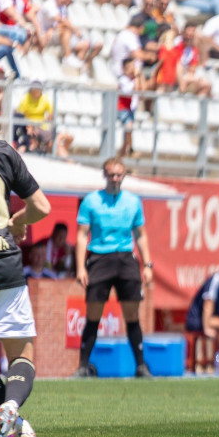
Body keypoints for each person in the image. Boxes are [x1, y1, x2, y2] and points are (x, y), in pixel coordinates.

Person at [0, 132, 51, 437]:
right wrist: (16, 221)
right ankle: (14, 412)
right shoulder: (2, 151)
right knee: (20, 358)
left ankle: (16, 419)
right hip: (5, 266)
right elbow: (41, 206)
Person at [74, 158, 154, 378]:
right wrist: (80, 267)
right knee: (93, 313)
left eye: (119, 175)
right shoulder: (91, 201)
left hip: (126, 258)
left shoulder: (133, 201)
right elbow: (81, 236)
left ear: (124, 175)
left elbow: (141, 235)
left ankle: (140, 366)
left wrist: (147, 265)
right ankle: (82, 366)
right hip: (99, 257)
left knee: (132, 313)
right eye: (111, 175)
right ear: (105, 175)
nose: (115, 179)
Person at [185, 259, 219, 374]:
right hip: (197, 320)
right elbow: (208, 305)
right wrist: (206, 327)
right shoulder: (216, 280)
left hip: (213, 320)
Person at [16, 80, 73, 158]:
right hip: (32, 128)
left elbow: (51, 113)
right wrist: (28, 126)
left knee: (67, 138)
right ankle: (67, 162)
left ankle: (61, 159)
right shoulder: (25, 98)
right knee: (56, 144)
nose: (37, 91)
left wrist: (47, 119)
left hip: (43, 128)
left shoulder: (44, 98)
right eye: (35, 89)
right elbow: (20, 115)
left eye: (39, 89)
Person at [117, 57, 144, 158]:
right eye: (129, 68)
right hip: (122, 109)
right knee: (129, 127)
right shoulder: (123, 80)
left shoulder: (133, 80)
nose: (132, 70)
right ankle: (129, 150)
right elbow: (132, 92)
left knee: (128, 132)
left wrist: (140, 78)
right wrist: (137, 77)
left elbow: (142, 94)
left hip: (130, 109)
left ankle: (124, 152)